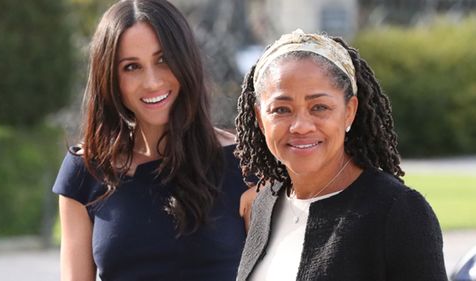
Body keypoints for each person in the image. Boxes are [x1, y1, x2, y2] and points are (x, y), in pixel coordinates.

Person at [52, 1, 249, 280]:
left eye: (163, 60)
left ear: (185, 60)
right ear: (110, 78)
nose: (152, 82)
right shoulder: (85, 171)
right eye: (131, 67)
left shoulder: (245, 164)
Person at [234, 29, 448, 281]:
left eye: (319, 107)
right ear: (260, 118)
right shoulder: (265, 204)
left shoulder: (396, 210)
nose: (301, 125)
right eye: (281, 109)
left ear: (349, 111)